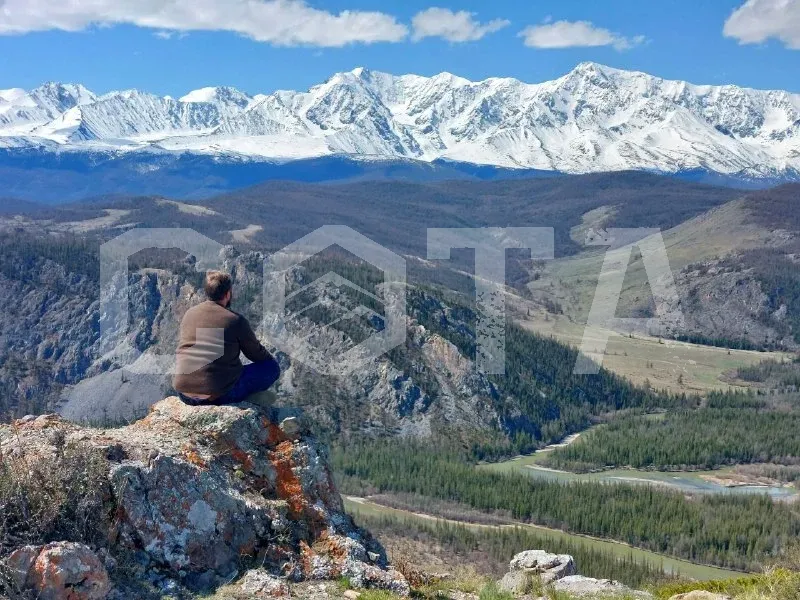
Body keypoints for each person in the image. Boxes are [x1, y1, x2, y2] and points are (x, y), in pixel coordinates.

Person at [173, 270, 280, 406]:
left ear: (207, 292)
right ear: (228, 294)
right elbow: (256, 354)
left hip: (184, 394)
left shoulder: (189, 314)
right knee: (272, 368)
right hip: (217, 396)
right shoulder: (235, 320)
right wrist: (268, 360)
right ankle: (246, 399)